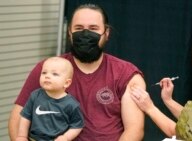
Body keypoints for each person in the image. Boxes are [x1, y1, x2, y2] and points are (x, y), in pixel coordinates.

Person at [9, 3, 145, 141]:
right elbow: (17, 120)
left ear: (106, 33)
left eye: (93, 28)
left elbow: (134, 130)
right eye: (79, 28)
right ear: (69, 32)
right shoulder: (46, 70)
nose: (85, 34)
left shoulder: (126, 74)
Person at [16, 57, 84, 141]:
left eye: (54, 74)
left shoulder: (71, 104)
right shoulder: (35, 96)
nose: (47, 76)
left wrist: (66, 137)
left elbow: (77, 125)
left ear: (66, 83)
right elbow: (26, 117)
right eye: (44, 73)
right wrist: (21, 136)